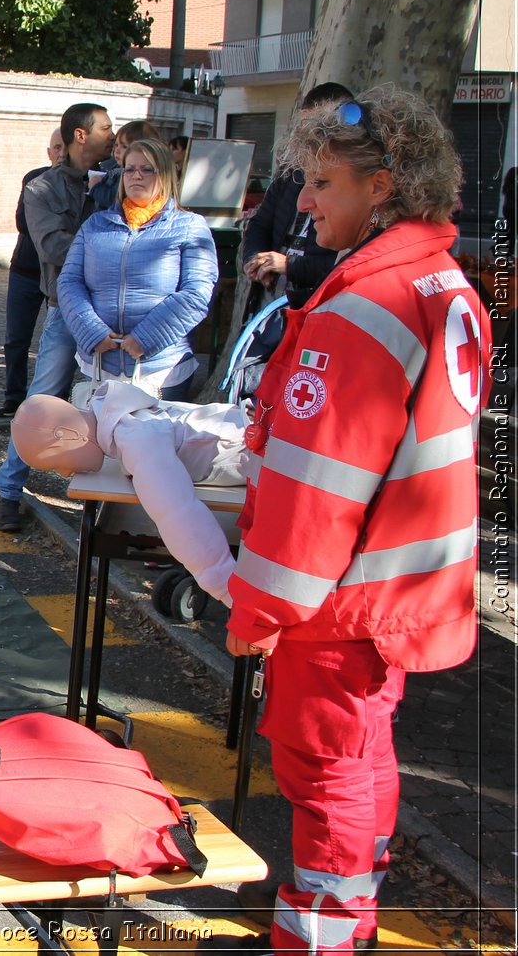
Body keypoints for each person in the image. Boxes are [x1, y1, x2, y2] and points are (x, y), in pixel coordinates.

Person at [215, 87, 489, 956]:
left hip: (341, 606)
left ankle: (321, 942)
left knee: (324, 772)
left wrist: (257, 607)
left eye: (322, 182)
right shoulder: (446, 286)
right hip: (403, 591)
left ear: (382, 187)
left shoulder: (362, 312)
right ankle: (344, 926)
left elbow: (313, 497)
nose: (303, 201)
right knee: (362, 764)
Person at [0, 103, 115, 530]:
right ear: (80, 136)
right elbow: (55, 249)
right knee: (42, 401)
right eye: (105, 127)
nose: (112, 134)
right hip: (68, 311)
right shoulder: (42, 190)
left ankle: (111, 502)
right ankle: (9, 489)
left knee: (119, 406)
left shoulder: (121, 180)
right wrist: (116, 250)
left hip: (120, 312)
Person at [11, 387, 246, 603]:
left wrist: (230, 592)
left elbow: (179, 516)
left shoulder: (138, 437)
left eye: (54, 465)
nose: (64, 473)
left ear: (65, 434)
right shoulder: (118, 417)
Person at [58, 137, 218, 401]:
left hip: (161, 368)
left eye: (147, 169)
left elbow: (197, 292)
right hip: (101, 364)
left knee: (153, 441)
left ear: (165, 174)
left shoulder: (190, 226)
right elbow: (69, 282)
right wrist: (92, 331)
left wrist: (146, 338)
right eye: (130, 169)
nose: (136, 176)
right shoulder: (96, 224)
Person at [241, 83, 355, 312]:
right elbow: (260, 224)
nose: (311, 138)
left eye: (321, 129)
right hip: (270, 304)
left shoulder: (353, 185)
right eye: (306, 129)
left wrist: (288, 265)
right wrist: (256, 260)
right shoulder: (290, 173)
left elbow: (348, 264)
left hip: (318, 307)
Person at [0, 127, 66, 419]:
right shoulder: (34, 179)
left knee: (56, 338)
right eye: (56, 148)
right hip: (26, 269)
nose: (61, 154)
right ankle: (14, 397)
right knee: (17, 338)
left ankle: (54, 400)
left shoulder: (87, 183)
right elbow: (24, 222)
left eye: (65, 147)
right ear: (49, 152)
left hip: (61, 273)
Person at [90, 120, 165, 211]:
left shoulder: (129, 175)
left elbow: (113, 200)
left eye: (124, 147)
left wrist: (96, 186)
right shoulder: (116, 168)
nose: (117, 151)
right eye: (116, 145)